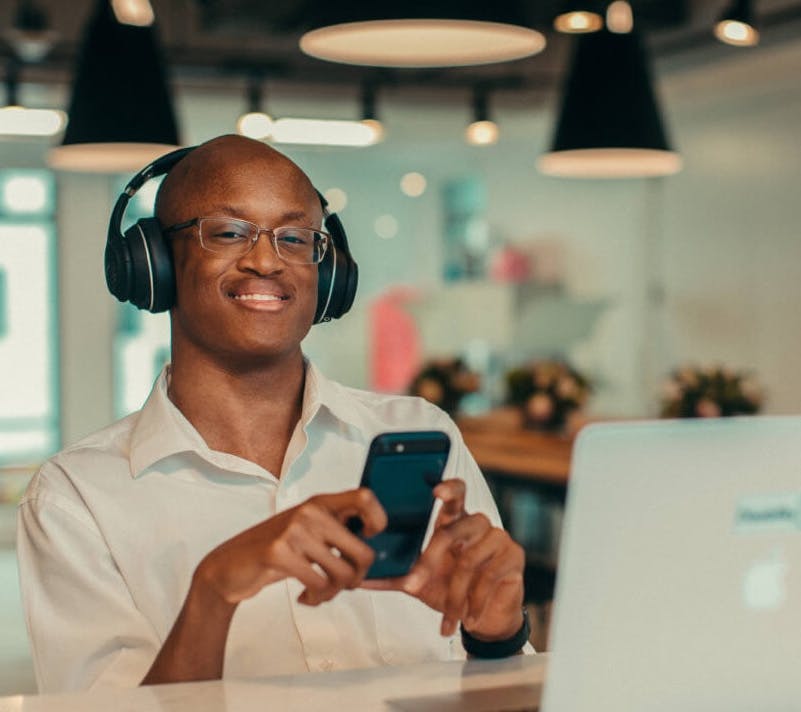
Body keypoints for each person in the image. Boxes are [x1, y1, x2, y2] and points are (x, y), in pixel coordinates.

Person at [17, 135, 529, 693]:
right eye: (230, 232)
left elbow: (507, 690)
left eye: (293, 238)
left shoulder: (421, 432)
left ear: (327, 272)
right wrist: (214, 590)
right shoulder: (76, 498)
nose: (266, 260)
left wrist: (496, 634)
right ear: (155, 264)